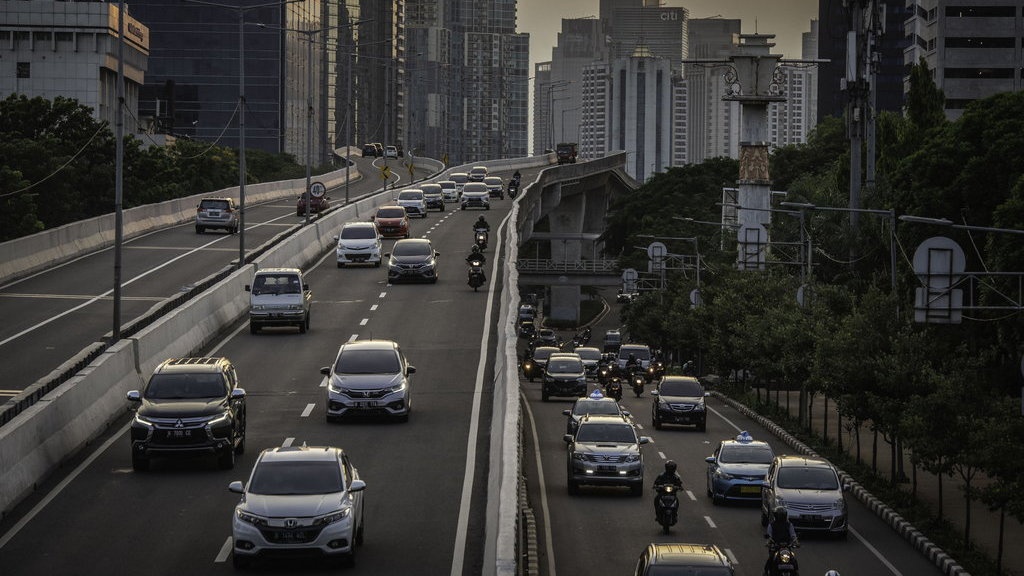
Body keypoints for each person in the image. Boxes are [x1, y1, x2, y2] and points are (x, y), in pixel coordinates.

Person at [765, 506, 798, 574]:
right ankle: (766, 572)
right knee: (770, 559)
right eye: (780, 515)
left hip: (787, 547)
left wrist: (796, 542)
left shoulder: (789, 525)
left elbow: (793, 535)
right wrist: (769, 543)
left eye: (782, 515)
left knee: (793, 560)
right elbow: (769, 535)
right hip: (775, 547)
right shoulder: (772, 525)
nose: (781, 516)